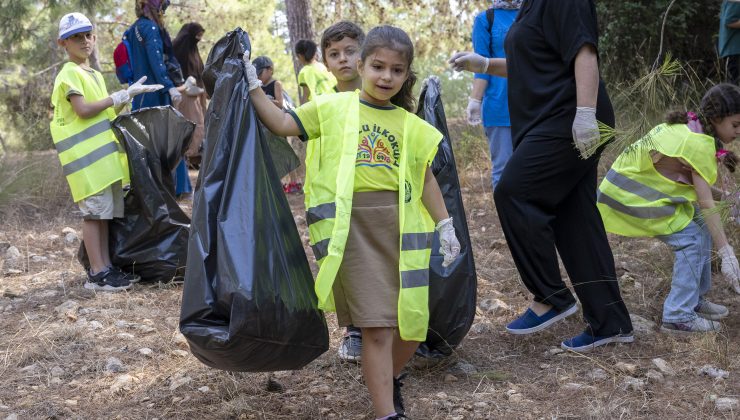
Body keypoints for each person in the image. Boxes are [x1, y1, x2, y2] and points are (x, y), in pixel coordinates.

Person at [246, 25, 461, 420]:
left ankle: (388, 378)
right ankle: (385, 413)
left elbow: (426, 176)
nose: (386, 77)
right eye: (377, 66)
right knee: (377, 327)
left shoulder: (410, 124)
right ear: (361, 66)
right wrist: (253, 86)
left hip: (401, 234)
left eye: (397, 71)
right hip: (353, 233)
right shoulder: (332, 108)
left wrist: (445, 224)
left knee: (412, 327)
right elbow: (281, 124)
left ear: (406, 75)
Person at [449, 0, 634, 353]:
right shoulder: (531, 6)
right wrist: (486, 65)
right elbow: (534, 64)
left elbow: (584, 52)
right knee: (575, 219)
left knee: (513, 193)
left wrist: (584, 114)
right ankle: (610, 322)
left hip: (567, 116)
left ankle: (551, 297)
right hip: (550, 117)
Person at [598, 84, 740, 334]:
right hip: (631, 198)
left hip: (634, 193)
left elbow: (700, 191)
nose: (738, 132)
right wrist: (726, 252)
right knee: (692, 240)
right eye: (736, 124)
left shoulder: (689, 127)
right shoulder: (698, 144)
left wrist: (728, 197)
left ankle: (693, 299)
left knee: (698, 225)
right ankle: (678, 315)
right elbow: (706, 203)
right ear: (717, 119)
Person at [50, 13, 161, 291]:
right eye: (77, 37)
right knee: (94, 215)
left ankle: (107, 269)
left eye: (88, 35)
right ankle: (98, 274)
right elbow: (84, 110)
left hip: (104, 164)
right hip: (87, 164)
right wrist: (117, 96)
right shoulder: (69, 74)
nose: (84, 41)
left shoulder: (94, 74)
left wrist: (126, 97)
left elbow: (106, 112)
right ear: (62, 43)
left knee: (104, 215)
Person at [319, 20, 366, 363]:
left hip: (373, 198)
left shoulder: (380, 94)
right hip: (333, 199)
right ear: (325, 62)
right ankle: (353, 330)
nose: (343, 59)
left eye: (350, 51)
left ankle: (383, 326)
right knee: (340, 266)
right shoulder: (324, 105)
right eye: (334, 54)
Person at [126, 0, 192, 198]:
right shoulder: (151, 28)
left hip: (138, 94)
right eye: (162, 7)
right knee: (170, 140)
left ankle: (151, 190)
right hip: (156, 92)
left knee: (145, 144)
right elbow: (157, 63)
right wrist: (170, 87)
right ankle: (178, 189)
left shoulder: (132, 30)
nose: (163, 12)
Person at [467, 0, 520, 191]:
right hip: (499, 107)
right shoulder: (485, 19)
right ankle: (508, 220)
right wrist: (475, 100)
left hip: (536, 105)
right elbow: (481, 65)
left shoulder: (534, 13)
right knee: (504, 170)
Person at [173, 22, 207, 169]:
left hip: (197, 97)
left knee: (199, 128)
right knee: (190, 129)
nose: (199, 39)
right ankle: (185, 160)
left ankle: (192, 159)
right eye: (197, 36)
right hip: (184, 96)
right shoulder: (178, 49)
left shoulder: (194, 53)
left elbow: (201, 73)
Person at [295, 39, 337, 104]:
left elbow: (306, 95)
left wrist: (301, 111)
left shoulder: (303, 72)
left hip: (320, 106)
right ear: (314, 52)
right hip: (336, 100)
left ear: (300, 56)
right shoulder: (323, 66)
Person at [720, 0, 740, 85]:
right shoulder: (736, 1)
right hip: (734, 50)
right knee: (735, 86)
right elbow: (729, 22)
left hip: (733, 50)